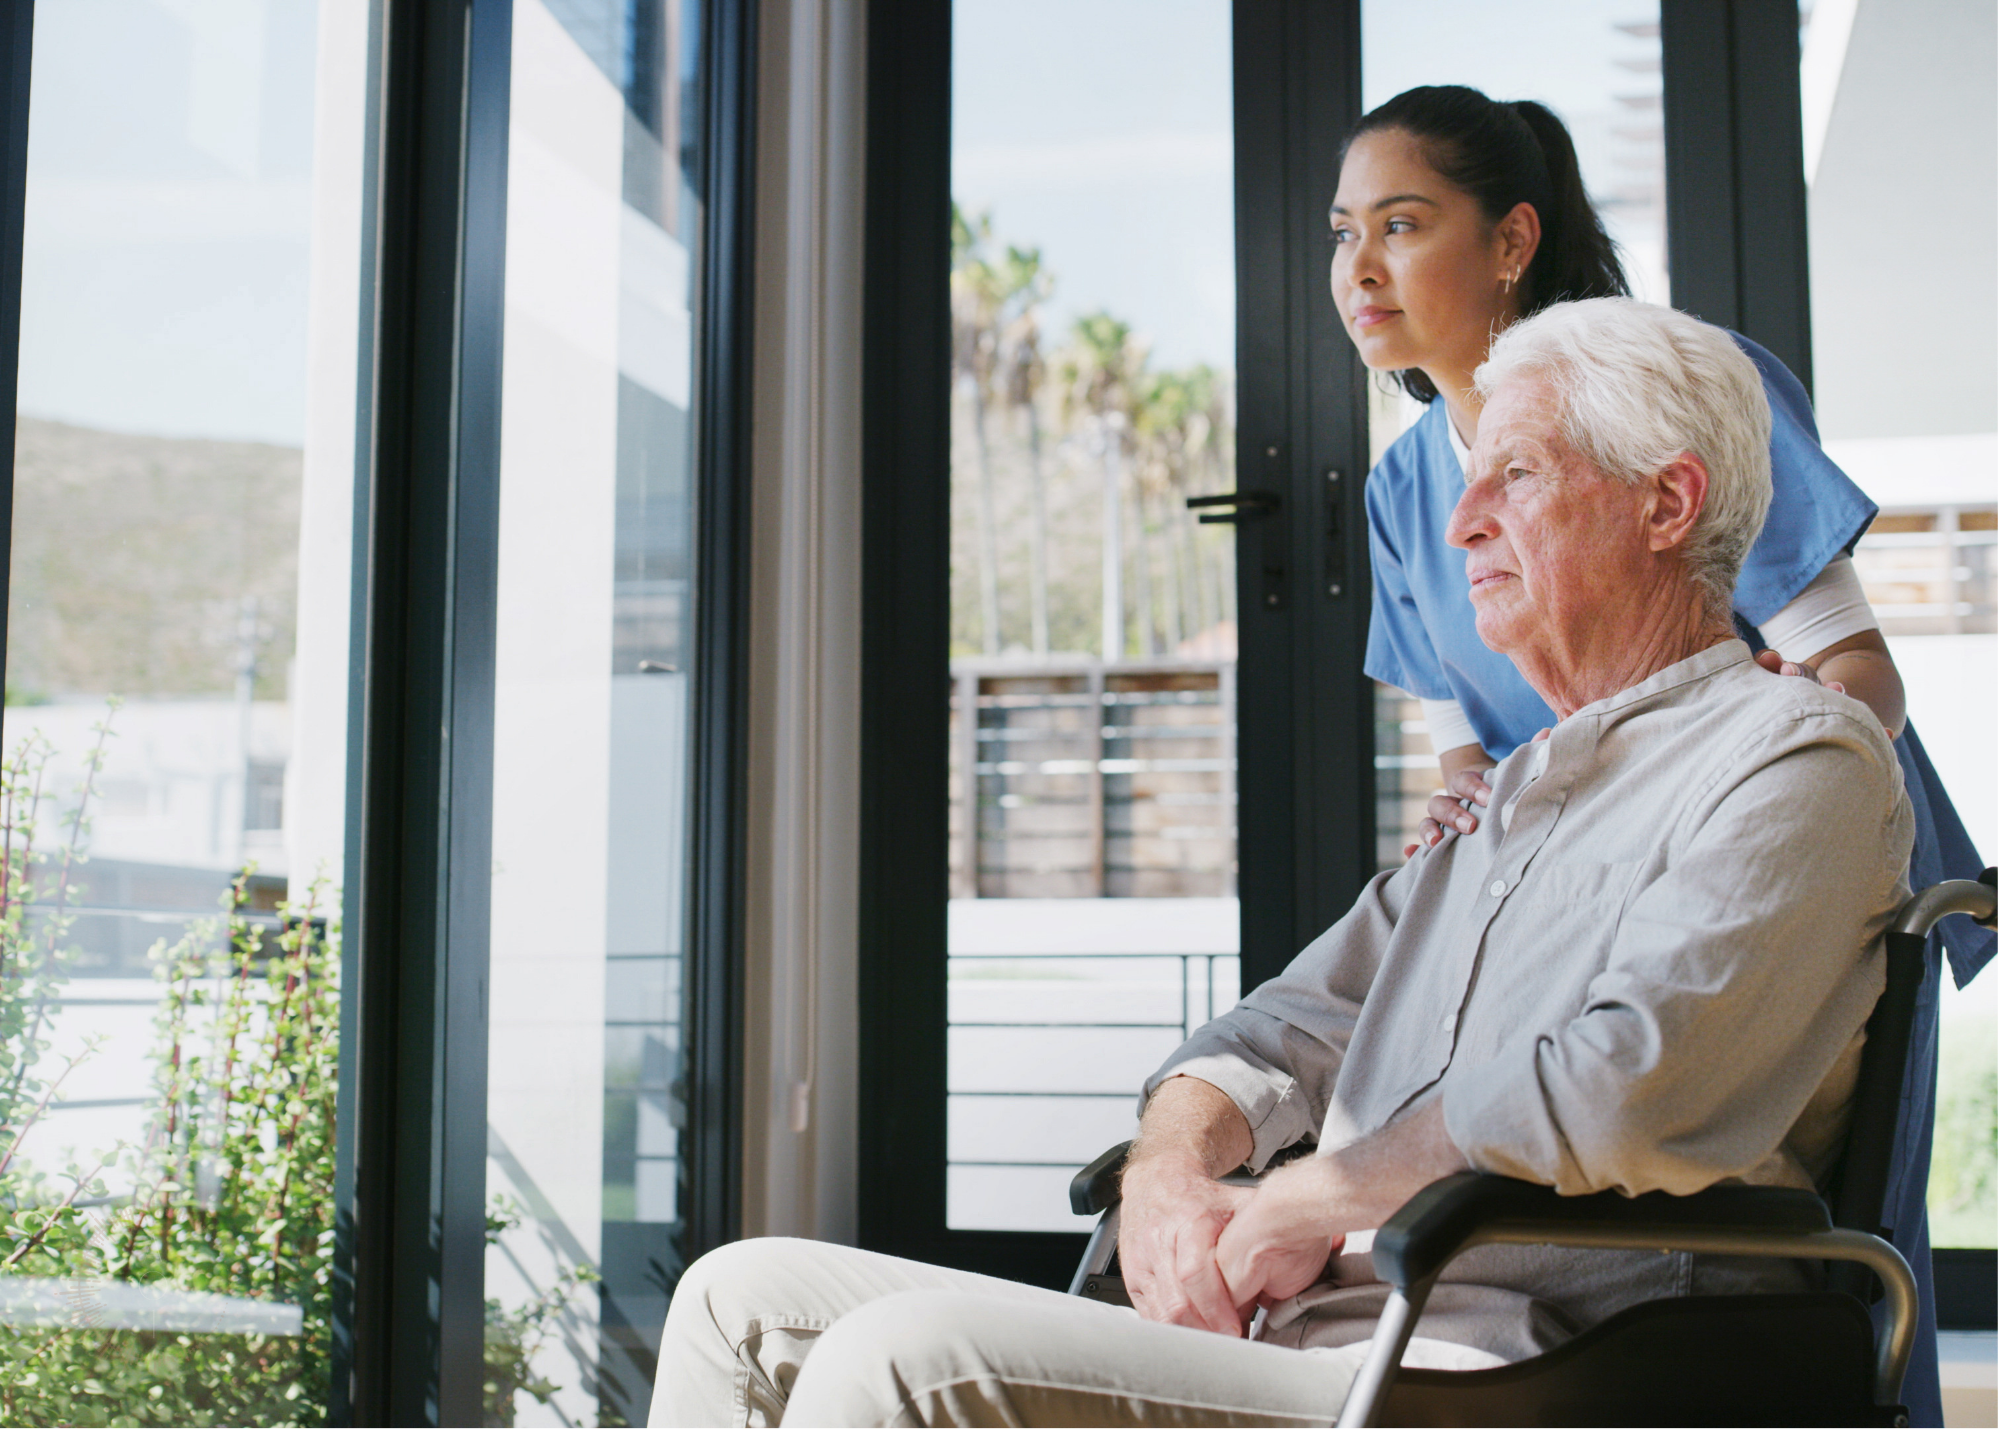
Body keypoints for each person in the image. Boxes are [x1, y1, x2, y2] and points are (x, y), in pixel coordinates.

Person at [652, 301, 1912, 1427]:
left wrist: (1300, 1201)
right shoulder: (1510, 793)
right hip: (1307, 1334)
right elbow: (1274, 1028)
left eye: (1513, 475)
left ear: (1665, 502)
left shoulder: (1794, 756)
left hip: (1510, 1357)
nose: (1461, 516)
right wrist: (1167, 1180)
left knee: (910, 1363)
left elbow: (1623, 1083)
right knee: (736, 1298)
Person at [1338, 86, 1989, 1425]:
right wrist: (1465, 823)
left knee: (1835, 1248)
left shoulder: (1685, 386)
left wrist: (1747, 826)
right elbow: (1467, 755)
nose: (1359, 269)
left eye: (1402, 225)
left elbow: (1858, 671)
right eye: (1343, 231)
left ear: (1512, 242)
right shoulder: (1409, 491)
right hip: (1589, 904)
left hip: (1788, 861)